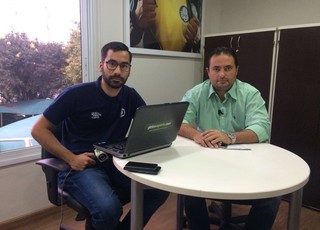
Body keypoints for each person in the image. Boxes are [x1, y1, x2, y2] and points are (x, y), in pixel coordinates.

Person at [31, 41, 169, 230]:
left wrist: (170, 130)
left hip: (114, 163)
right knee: (107, 209)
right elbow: (38, 130)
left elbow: (149, 125)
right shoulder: (76, 95)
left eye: (124, 65)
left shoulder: (129, 96)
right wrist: (71, 158)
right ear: (101, 65)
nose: (117, 71)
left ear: (129, 69)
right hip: (80, 167)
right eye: (112, 64)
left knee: (158, 190)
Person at [178, 46, 281, 230]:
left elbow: (262, 127)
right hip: (207, 160)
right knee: (187, 188)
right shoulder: (196, 93)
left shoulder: (250, 94)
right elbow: (178, 122)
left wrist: (230, 137)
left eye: (228, 68)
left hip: (245, 163)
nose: (222, 74)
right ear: (208, 71)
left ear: (237, 70)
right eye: (216, 69)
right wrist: (197, 135)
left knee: (272, 197)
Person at [130, 0, 201, 53]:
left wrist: (194, 42)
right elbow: (124, 44)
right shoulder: (137, 2)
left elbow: (198, 47)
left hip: (180, 67)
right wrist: (136, 22)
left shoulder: (192, 4)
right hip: (149, 65)